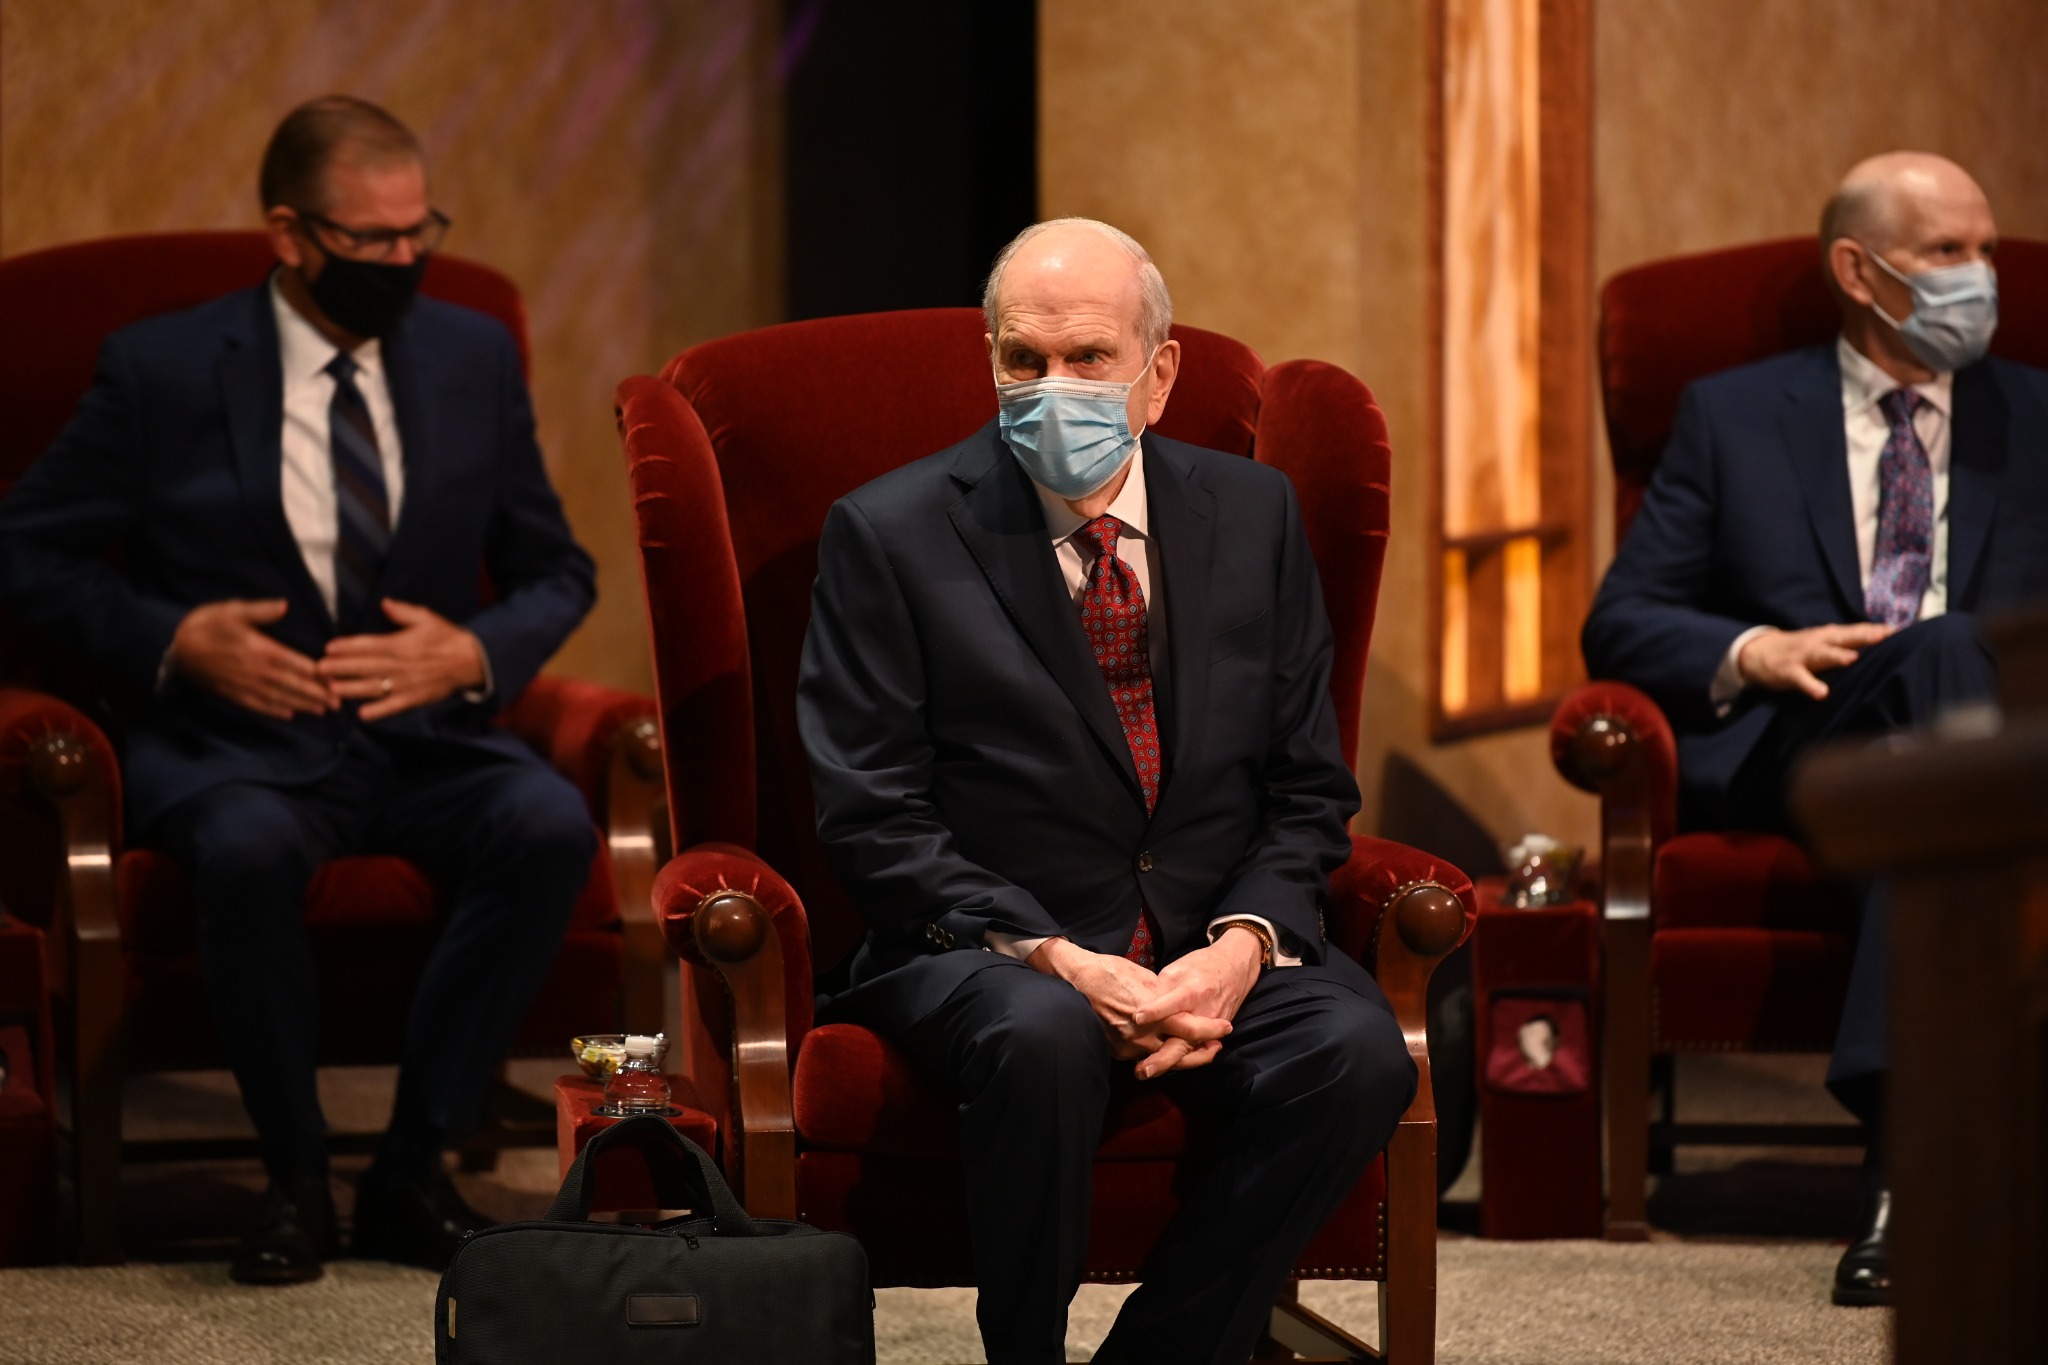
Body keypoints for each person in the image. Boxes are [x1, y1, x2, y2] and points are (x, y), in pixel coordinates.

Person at [0, 96, 599, 1284]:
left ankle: (409, 1171)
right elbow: (23, 549)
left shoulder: (470, 354)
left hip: (424, 738)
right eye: (370, 239)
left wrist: (472, 653)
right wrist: (175, 640)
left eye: (418, 231)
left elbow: (556, 569)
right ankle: (293, 1183)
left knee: (547, 827)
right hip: (236, 745)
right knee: (246, 849)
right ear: (289, 233)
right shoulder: (164, 368)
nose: (403, 259)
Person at [796, 218, 1416, 1365]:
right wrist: (1064, 961)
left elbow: (1305, 784)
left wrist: (1238, 950)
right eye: (1022, 360)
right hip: (989, 948)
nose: (1052, 388)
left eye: (1087, 358)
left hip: (1201, 932)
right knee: (1041, 1038)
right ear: (990, 361)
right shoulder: (888, 533)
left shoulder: (1252, 514)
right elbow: (871, 813)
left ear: (1158, 372)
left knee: (1358, 1051)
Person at [1584, 151, 2048, 1306]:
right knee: (1936, 661)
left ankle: (1900, 1170)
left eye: (1986, 252)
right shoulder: (1731, 415)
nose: (1980, 277)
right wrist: (1756, 650)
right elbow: (1620, 622)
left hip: (1993, 761)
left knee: (1943, 700)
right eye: (1947, 252)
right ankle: (1929, 1170)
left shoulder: (2037, 417)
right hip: (1798, 749)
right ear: (1856, 270)